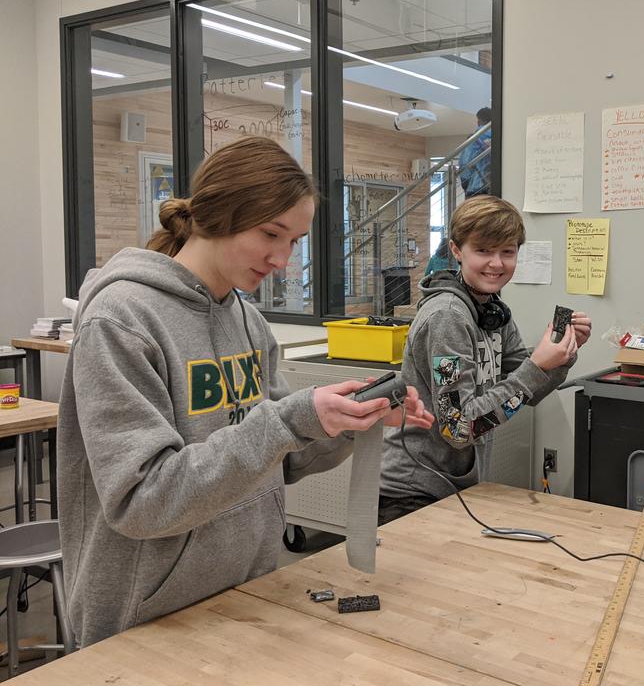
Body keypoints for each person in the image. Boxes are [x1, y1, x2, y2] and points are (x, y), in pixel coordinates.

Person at [57, 136, 433, 646]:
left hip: (245, 594)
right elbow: (142, 501)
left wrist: (344, 422)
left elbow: (279, 459)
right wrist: (287, 420)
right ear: (217, 214)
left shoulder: (247, 321)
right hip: (145, 617)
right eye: (270, 233)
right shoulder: (120, 320)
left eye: (296, 241)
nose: (283, 259)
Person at [378, 196, 592, 522]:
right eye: (483, 251)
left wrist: (562, 353)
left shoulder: (490, 310)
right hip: (411, 493)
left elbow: (525, 387)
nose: (496, 263)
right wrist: (538, 366)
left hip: (453, 487)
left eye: (507, 252)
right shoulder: (447, 318)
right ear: (456, 250)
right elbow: (459, 427)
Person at [457, 107, 492, 198]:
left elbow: (465, 164)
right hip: (496, 187)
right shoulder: (502, 135)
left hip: (477, 188)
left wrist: (465, 185)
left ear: (479, 121)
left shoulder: (474, 139)